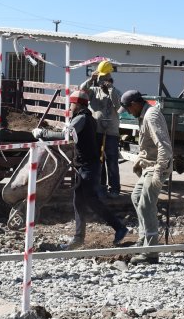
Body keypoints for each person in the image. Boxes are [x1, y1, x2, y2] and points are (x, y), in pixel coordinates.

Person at [32, 90, 128, 248]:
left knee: (91, 201)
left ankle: (118, 227)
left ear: (77, 104)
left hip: (88, 168)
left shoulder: (81, 118)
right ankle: (79, 238)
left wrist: (43, 132)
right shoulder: (86, 118)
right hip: (88, 166)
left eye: (71, 104)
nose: (69, 107)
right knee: (80, 202)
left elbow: (66, 135)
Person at [119, 89, 172, 264]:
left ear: (135, 104)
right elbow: (147, 145)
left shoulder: (151, 116)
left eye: (128, 109)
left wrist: (159, 170)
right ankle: (144, 239)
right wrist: (139, 160)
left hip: (157, 166)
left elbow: (164, 145)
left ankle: (151, 252)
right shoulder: (144, 115)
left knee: (146, 205)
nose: (128, 112)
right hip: (149, 164)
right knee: (136, 197)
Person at [80, 65, 122, 198]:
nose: (103, 81)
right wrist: (90, 80)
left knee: (112, 161)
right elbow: (81, 91)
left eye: (106, 78)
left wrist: (110, 90)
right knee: (98, 161)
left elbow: (119, 106)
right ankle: (101, 186)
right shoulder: (93, 91)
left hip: (111, 133)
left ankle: (114, 189)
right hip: (96, 131)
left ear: (110, 79)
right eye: (101, 78)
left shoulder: (115, 92)